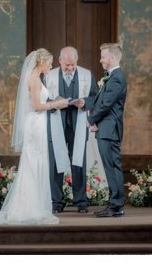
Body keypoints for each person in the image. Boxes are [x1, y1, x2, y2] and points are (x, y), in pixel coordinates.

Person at [0, 49, 69, 225]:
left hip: (39, 124)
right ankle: (27, 208)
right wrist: (58, 103)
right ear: (41, 62)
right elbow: (37, 106)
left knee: (38, 163)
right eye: (49, 62)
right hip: (35, 125)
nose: (51, 65)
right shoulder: (33, 79)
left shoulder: (37, 78)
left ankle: (36, 206)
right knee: (32, 163)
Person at [45, 47, 92, 213]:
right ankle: (56, 203)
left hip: (77, 125)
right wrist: (53, 102)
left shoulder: (87, 75)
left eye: (73, 64)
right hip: (55, 124)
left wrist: (85, 102)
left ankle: (81, 202)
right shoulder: (48, 76)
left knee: (78, 163)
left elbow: (95, 97)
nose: (71, 68)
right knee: (55, 164)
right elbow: (41, 99)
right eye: (67, 65)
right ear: (59, 61)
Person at [88, 43, 129, 218]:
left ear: (111, 58)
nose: (100, 60)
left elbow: (106, 104)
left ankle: (116, 206)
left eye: (103, 56)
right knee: (110, 167)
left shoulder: (117, 77)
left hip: (109, 128)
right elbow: (101, 102)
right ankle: (115, 205)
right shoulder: (111, 77)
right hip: (106, 128)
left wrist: (91, 119)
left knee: (112, 167)